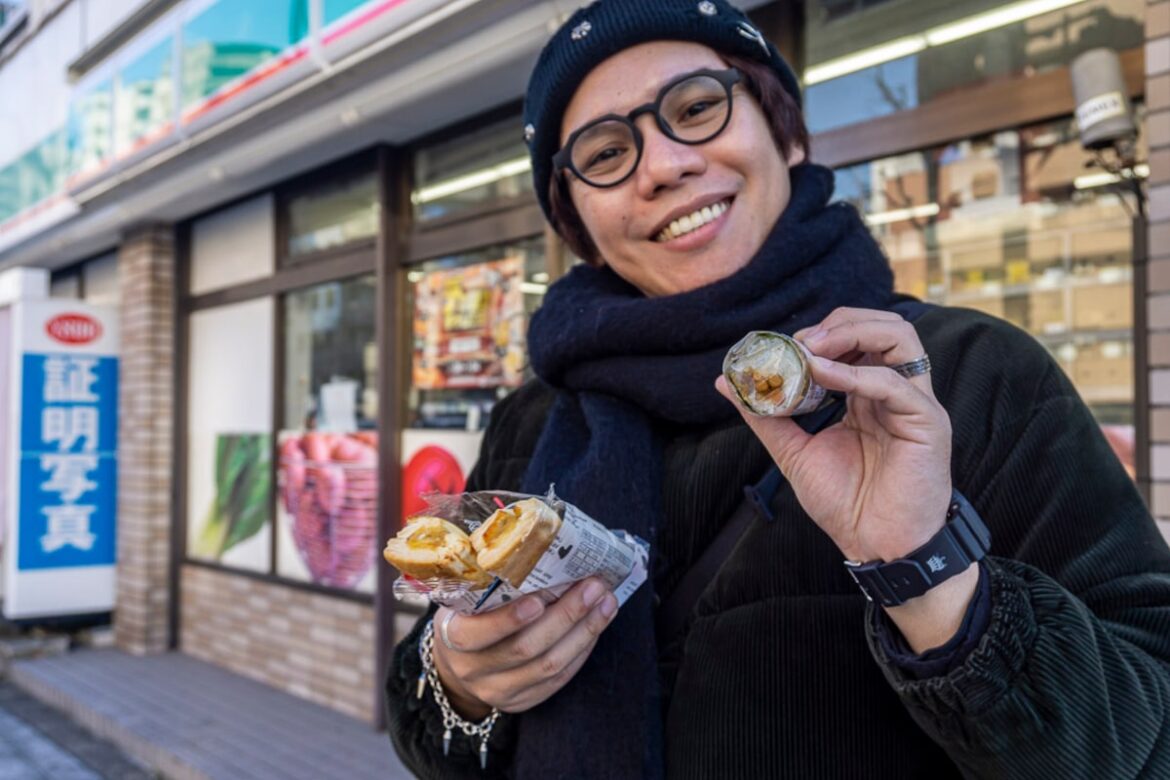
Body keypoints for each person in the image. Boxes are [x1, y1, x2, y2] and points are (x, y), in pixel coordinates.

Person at [385, 1, 1170, 777]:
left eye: (697, 107)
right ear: (575, 220)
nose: (663, 166)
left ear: (786, 132)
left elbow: (1148, 738)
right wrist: (461, 680)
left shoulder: (964, 376)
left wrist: (927, 569)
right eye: (604, 153)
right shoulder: (532, 421)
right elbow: (435, 731)